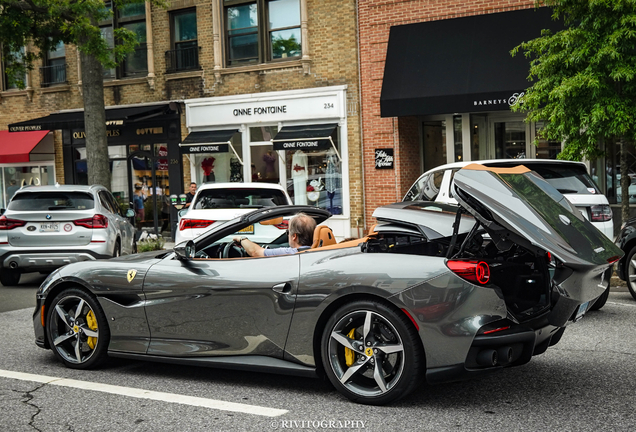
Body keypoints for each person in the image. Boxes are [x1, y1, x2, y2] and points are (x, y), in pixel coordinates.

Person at [233, 212, 316, 257]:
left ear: (294, 236)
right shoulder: (321, 251)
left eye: (288, 232)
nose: (288, 236)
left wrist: (241, 238)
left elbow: (255, 252)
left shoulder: (290, 253)